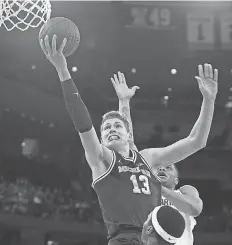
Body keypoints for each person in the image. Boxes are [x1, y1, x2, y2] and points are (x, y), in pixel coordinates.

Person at [40, 36, 217, 245]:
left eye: (117, 126)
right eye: (106, 128)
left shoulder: (147, 158)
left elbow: (196, 141)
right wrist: (63, 71)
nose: (111, 129)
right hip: (123, 239)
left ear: (128, 133)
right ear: (102, 138)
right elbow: (82, 120)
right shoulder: (101, 159)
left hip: (153, 239)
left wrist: (209, 100)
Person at [111, 72, 204, 245]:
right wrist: (124, 101)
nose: (162, 168)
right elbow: (128, 144)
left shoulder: (184, 191)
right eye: (160, 167)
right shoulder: (145, 189)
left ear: (176, 179)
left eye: (168, 167)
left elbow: (195, 208)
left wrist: (158, 188)